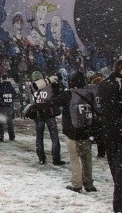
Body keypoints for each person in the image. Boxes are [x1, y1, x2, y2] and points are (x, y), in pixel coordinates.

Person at [43, 71, 96, 193]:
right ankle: (89, 183)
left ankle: (77, 184)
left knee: (74, 158)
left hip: (72, 131)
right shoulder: (89, 94)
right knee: (87, 158)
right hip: (86, 130)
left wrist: (55, 87)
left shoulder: (68, 94)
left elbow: (52, 102)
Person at [98, 59, 122, 212]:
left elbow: (101, 110)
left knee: (116, 169)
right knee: (118, 169)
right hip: (115, 132)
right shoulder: (110, 85)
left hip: (110, 132)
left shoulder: (105, 84)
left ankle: (118, 203)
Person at [28, 70, 66, 165]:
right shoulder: (48, 84)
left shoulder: (31, 87)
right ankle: (56, 159)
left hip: (38, 113)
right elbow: (57, 93)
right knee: (54, 137)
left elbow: (30, 100)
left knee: (39, 137)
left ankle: (41, 158)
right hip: (49, 112)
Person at [0, 75, 16, 142]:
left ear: (1, 78)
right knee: (9, 122)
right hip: (8, 106)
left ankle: (0, 137)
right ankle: (11, 136)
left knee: (1, 122)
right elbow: (14, 94)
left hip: (0, 107)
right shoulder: (11, 86)